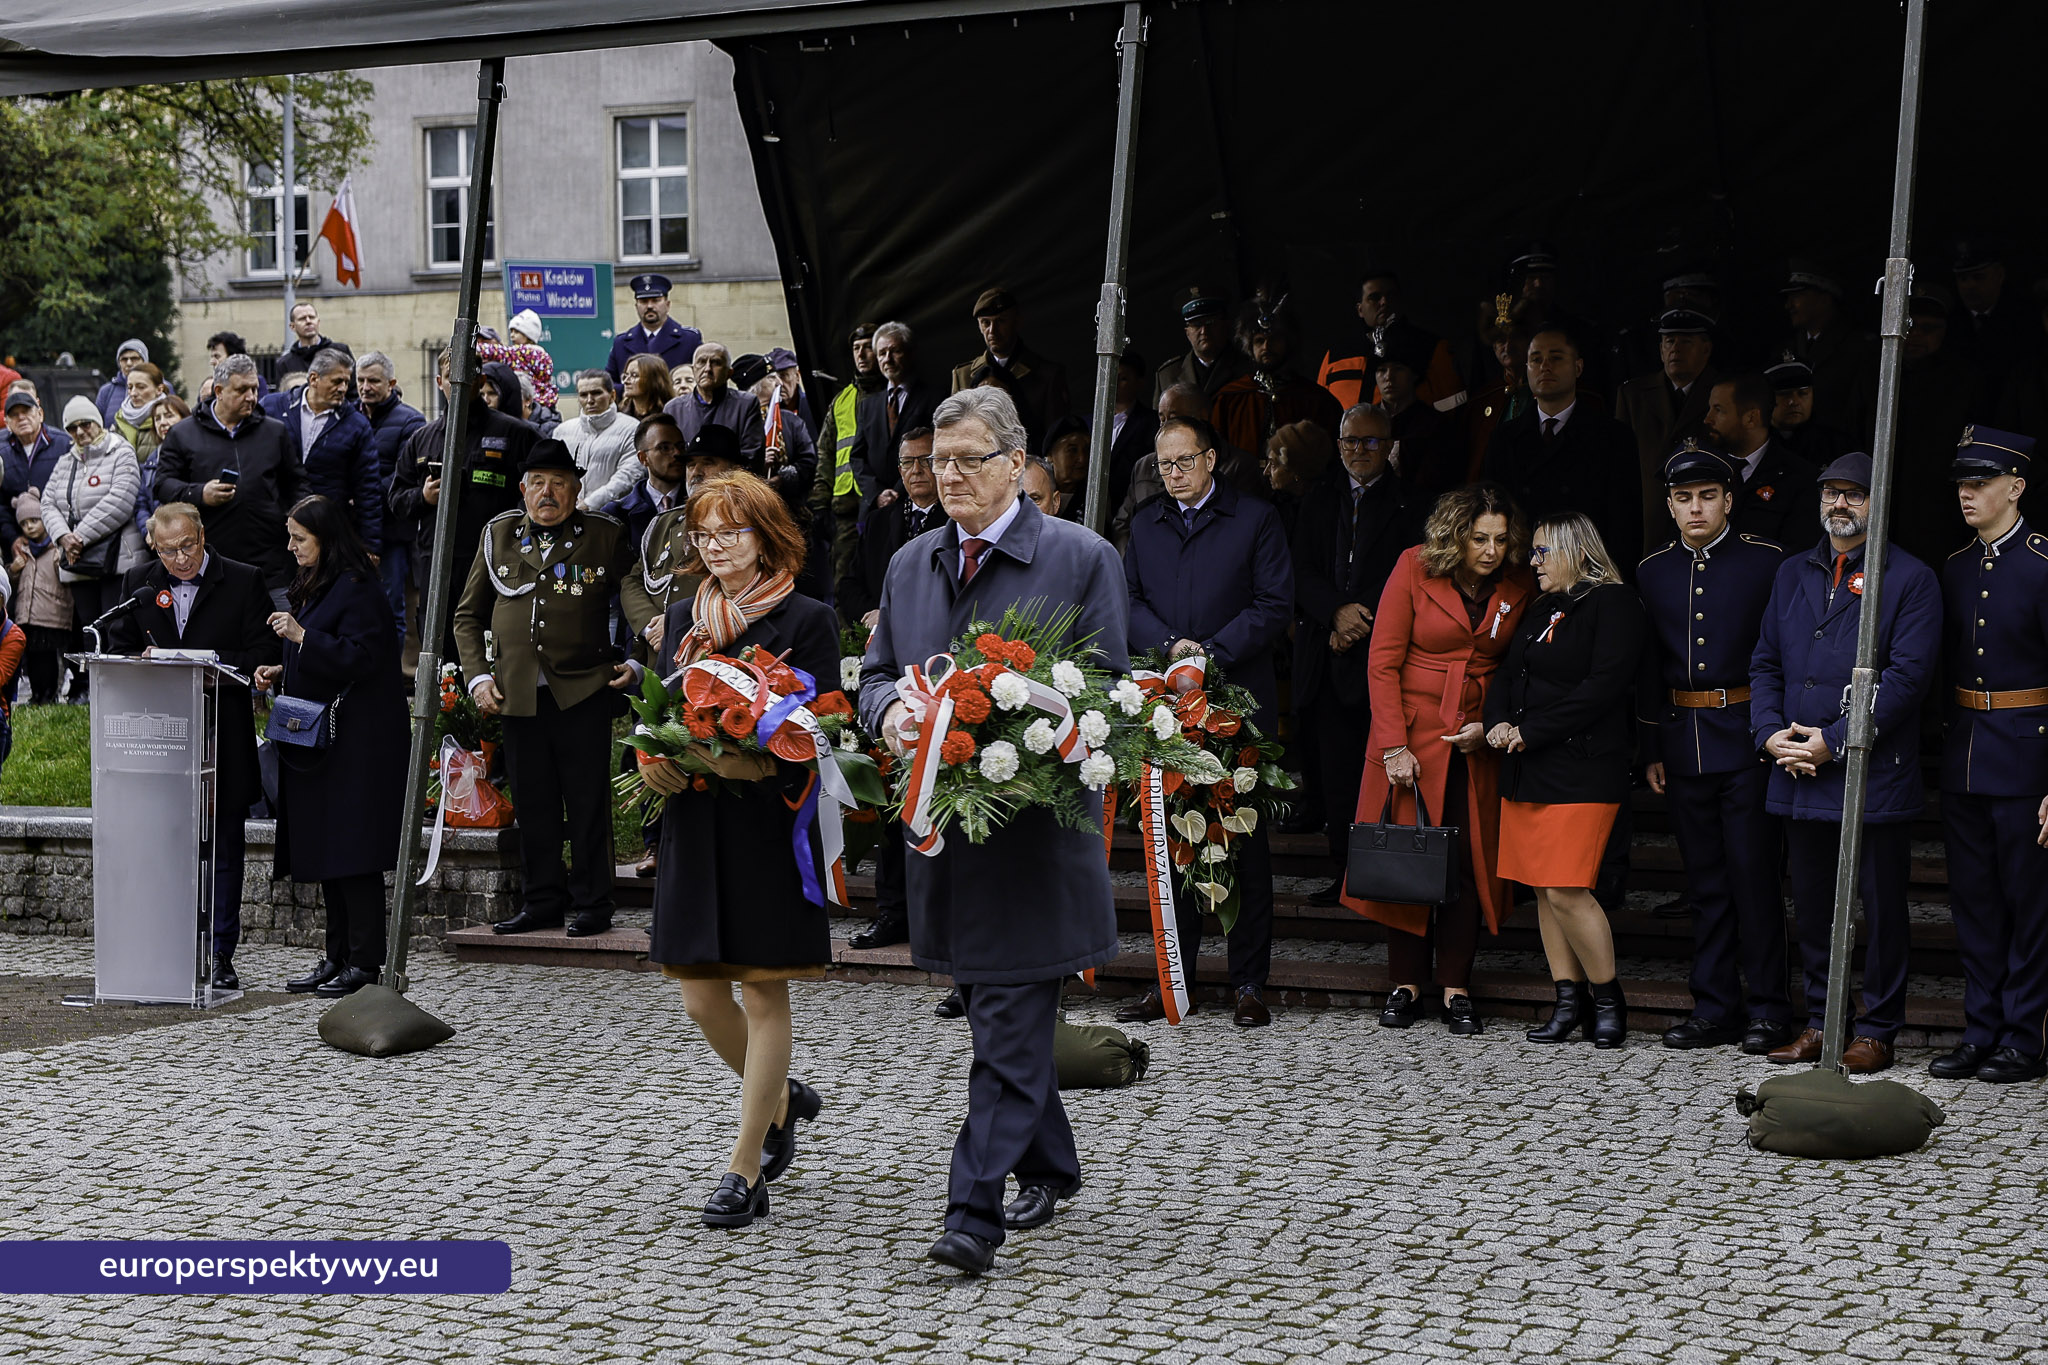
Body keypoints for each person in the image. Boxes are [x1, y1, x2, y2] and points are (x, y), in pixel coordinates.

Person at [858, 386, 1126, 1276]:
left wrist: (1018, 739)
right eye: (938, 461)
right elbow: (878, 675)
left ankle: (971, 1213)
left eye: (969, 459)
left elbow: (1105, 702)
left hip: (1034, 845)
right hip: (943, 837)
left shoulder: (1082, 557)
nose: (950, 476)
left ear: (1018, 463)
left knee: (1008, 1014)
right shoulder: (909, 563)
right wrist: (893, 709)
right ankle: (1051, 1160)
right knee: (993, 1010)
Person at [632, 471, 838, 1227]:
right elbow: (657, 716)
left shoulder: (808, 618)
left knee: (763, 989)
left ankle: (745, 1164)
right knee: (698, 995)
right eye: (706, 534)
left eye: (732, 531)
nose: (716, 546)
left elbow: (818, 740)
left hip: (767, 827)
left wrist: (740, 760)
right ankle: (783, 1095)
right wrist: (650, 760)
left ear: (767, 534)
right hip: (693, 820)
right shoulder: (684, 613)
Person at [1750, 452, 1941, 1074]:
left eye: (1854, 495)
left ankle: (1879, 1028)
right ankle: (1821, 1021)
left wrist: (1833, 738)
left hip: (1870, 770)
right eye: (1831, 493)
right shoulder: (1792, 572)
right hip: (1798, 766)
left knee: (1881, 906)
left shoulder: (1909, 578)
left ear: (1878, 502)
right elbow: (1767, 663)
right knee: (1810, 902)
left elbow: (1906, 680)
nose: (1840, 504)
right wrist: (1770, 734)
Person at [1119, 413, 1294, 1026]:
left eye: (1183, 462)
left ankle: (1249, 982)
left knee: (1240, 840)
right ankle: (1174, 978)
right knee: (1169, 841)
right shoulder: (1145, 524)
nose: (1173, 474)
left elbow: (1274, 604)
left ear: (1211, 459)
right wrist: (1170, 647)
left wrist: (1208, 654)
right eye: (1162, 465)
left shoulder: (1254, 519)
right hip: (1166, 701)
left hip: (1235, 703)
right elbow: (1129, 599)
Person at [1343, 484, 1534, 1036]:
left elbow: (1518, 668)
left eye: (1501, 539)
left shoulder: (1517, 584)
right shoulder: (1412, 567)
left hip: (1476, 739)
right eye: (1479, 538)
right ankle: (1405, 984)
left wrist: (1493, 725)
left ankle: (1455, 985)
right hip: (1410, 737)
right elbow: (1382, 663)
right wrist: (1393, 747)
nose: (1491, 550)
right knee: (1407, 857)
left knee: (1469, 864)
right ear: (1456, 536)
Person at [1635, 442, 1797, 1054]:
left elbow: (1783, 656)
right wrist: (1651, 744)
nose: (1695, 508)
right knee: (1703, 882)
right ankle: (1714, 1005)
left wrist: (1773, 729)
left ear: (1730, 501)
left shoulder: (1768, 562)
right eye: (1683, 498)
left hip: (1749, 735)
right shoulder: (1652, 570)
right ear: (1671, 506)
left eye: (1707, 496)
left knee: (1755, 877)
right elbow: (1649, 668)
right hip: (1682, 741)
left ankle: (1768, 1009)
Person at [453, 440, 638, 938]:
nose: (548, 492)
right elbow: (467, 616)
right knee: (534, 805)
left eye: (559, 483)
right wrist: (478, 676)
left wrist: (639, 660)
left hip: (581, 688)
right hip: (518, 695)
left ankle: (594, 903)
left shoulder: (603, 535)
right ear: (523, 489)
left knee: (585, 802)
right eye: (538, 482)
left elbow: (636, 596)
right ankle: (541, 902)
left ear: (577, 490)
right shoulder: (500, 535)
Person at [1485, 512, 1647, 1049]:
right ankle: (1567, 1001)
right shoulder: (1542, 606)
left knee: (1568, 887)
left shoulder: (1615, 603)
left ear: (1576, 550)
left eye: (1541, 552)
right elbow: (1509, 673)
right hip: (1528, 767)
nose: (1532, 562)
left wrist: (1532, 730)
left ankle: (1607, 1000)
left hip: (1583, 766)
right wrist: (1498, 723)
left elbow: (1605, 686)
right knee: (1542, 890)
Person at [109, 503, 280, 989]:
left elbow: (263, 654)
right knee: (165, 845)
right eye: (168, 551)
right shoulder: (139, 583)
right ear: (153, 546)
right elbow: (118, 649)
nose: (180, 559)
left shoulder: (244, 579)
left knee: (224, 846)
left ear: (203, 537)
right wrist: (139, 660)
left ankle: (221, 951)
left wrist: (202, 661)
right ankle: (166, 945)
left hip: (221, 734)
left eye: (188, 546)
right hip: (158, 740)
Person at [252, 495, 408, 999]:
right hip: (323, 741)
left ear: (326, 537)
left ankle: (364, 963)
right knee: (329, 850)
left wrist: (300, 638)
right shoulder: (318, 582)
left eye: (300, 537)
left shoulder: (358, 586)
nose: (292, 546)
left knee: (353, 852)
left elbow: (363, 658)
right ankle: (336, 955)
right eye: (291, 536)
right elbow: (322, 648)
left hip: (358, 742)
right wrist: (284, 667)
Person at [1932, 427, 2048, 1083]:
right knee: (1974, 902)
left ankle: (2023, 1036)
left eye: (1980, 481)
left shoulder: (2041, 563)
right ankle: (1982, 1028)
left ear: (2017, 486)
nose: (1967, 492)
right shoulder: (1955, 566)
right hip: (1968, 754)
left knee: (2028, 904)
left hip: (2029, 759)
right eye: (1962, 482)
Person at [1291, 404, 1419, 903]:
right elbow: (1299, 568)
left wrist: (1360, 621)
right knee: (1335, 772)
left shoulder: (1410, 503)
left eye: (1370, 442)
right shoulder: (1318, 496)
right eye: (1350, 441)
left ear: (1389, 445)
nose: (1359, 451)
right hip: (1324, 653)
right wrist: (1334, 613)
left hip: (1382, 657)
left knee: (1379, 773)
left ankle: (1382, 872)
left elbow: (1407, 573)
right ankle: (1344, 873)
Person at [387, 347, 539, 655]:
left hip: (496, 559)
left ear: (480, 380)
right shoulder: (423, 438)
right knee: (440, 643)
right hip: (436, 561)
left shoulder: (516, 433)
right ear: (440, 380)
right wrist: (423, 496)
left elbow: (541, 495)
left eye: (466, 379)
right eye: (451, 380)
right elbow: (396, 499)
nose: (457, 387)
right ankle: (444, 703)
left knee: (491, 643)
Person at [1483, 328, 1643, 571]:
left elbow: (1625, 525)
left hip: (1588, 575)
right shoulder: (1503, 438)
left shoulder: (1613, 437)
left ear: (1578, 367)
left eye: (1556, 358)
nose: (1545, 366)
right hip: (1522, 573)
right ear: (1526, 368)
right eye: (1536, 359)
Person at [153, 355, 303, 607]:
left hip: (271, 563)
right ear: (219, 391)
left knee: (278, 639)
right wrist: (200, 493)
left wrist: (294, 522)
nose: (251, 396)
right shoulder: (183, 434)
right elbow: (162, 485)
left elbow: (297, 483)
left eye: (254, 388)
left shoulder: (274, 431)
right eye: (242, 389)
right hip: (211, 563)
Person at [46, 399, 144, 659]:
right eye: (72, 427)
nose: (79, 432)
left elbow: (121, 501)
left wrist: (77, 537)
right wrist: (62, 537)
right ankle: (94, 689)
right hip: (78, 560)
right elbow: (47, 503)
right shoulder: (66, 460)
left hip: (117, 559)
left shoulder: (121, 452)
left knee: (115, 625)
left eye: (85, 424)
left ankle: (120, 692)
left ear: (98, 423)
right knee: (89, 626)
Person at [1616, 308, 1721, 553]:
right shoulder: (1632, 395)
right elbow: (1619, 465)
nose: (1676, 348)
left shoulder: (1723, 391)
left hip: (1703, 517)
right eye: (1669, 341)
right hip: (1646, 523)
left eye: (1686, 342)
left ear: (1706, 349)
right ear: (1661, 350)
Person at [262, 348, 381, 550]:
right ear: (314, 379)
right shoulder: (273, 407)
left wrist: (371, 545)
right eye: (336, 381)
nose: (343, 388)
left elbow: (368, 489)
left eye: (346, 382)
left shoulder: (356, 425)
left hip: (327, 531)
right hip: (274, 528)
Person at [1211, 292, 1342, 457]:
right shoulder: (1229, 400)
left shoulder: (1316, 400)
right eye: (1259, 340)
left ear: (1288, 342)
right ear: (1249, 347)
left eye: (1274, 339)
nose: (1266, 346)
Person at [1317, 270, 1464, 415]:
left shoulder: (1430, 347)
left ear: (1400, 301)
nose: (1384, 302)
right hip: (1349, 438)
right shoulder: (1336, 355)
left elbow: (1455, 410)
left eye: (1391, 295)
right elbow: (1320, 411)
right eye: (1374, 297)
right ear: (1360, 309)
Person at [812, 323, 885, 613]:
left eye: (869, 347)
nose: (862, 354)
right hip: (845, 507)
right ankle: (847, 651)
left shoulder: (893, 395)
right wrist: (819, 505)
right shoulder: (841, 400)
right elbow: (826, 453)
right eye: (857, 349)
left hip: (881, 503)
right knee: (843, 583)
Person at [356, 352, 426, 645]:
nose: (365, 387)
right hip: (352, 530)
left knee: (390, 611)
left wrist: (359, 494)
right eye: (360, 380)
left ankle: (391, 683)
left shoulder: (410, 421)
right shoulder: (349, 416)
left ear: (391, 383)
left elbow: (404, 476)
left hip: (392, 534)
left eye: (373, 380)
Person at [949, 288, 1071, 452]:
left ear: (1017, 321)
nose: (992, 331)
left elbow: (1055, 442)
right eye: (986, 323)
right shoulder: (963, 376)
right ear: (979, 326)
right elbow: (955, 434)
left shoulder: (1047, 375)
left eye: (1001, 321)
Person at [1782, 262, 1877, 443]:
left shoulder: (1860, 348)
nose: (1789, 305)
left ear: (1825, 299)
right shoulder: (1787, 348)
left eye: (1797, 296)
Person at [845, 322, 940, 502]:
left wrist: (897, 492)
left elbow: (936, 451)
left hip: (916, 500)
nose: (887, 359)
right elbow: (857, 457)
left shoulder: (934, 399)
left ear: (910, 353)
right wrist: (877, 493)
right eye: (882, 353)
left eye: (895, 351)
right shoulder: (868, 405)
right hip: (876, 505)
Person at [1373, 327, 1458, 496]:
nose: (1388, 377)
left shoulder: (1435, 426)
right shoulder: (1364, 422)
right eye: (1382, 370)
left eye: (1398, 368)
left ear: (1414, 374)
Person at [6, 491, 73, 704]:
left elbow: (66, 576)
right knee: (33, 658)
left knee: (50, 658)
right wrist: (13, 571)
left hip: (51, 613)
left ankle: (50, 694)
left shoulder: (56, 548)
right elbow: (12, 585)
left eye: (34, 521)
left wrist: (59, 563)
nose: (29, 527)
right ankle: (36, 694)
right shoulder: (22, 550)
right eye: (24, 524)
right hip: (28, 614)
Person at [661, 342, 765, 468]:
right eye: (701, 362)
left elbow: (752, 457)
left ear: (729, 373)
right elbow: (668, 457)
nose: (707, 369)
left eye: (716, 363)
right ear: (694, 370)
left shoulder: (746, 404)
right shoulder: (673, 409)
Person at [1, 389, 71, 550]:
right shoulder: (2, 454)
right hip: (22, 545)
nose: (21, 418)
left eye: (26, 411)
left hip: (60, 539)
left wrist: (61, 533)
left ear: (40, 414)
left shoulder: (63, 444)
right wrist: (13, 539)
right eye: (14, 415)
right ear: (7, 423)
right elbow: (2, 504)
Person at [1154, 288, 1252, 405]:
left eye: (1210, 322)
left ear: (1225, 324)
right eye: (1196, 325)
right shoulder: (1168, 375)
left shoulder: (1248, 365)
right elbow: (1160, 421)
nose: (1204, 331)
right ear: (1187, 332)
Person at [606, 273, 704, 387]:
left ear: (667, 304)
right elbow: (610, 384)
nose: (649, 306)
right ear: (636, 306)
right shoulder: (621, 343)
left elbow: (702, 378)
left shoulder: (689, 340)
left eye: (656, 300)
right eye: (643, 301)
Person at [561, 370, 639, 505]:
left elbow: (628, 476)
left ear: (612, 395)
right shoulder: (562, 431)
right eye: (583, 395)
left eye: (596, 393)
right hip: (567, 514)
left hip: (613, 516)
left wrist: (589, 504)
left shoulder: (632, 428)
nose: (590, 400)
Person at [1764, 351, 1853, 468]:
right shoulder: (1754, 445)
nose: (1794, 402)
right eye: (1784, 394)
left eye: (1803, 393)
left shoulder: (1837, 445)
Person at [1260, 419, 1331, 542]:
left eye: (1273, 465)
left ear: (1297, 471)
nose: (1265, 472)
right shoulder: (1276, 503)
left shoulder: (1320, 515)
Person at [474, 309, 559, 411]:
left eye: (517, 332)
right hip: (542, 404)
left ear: (528, 335)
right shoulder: (542, 355)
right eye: (511, 331)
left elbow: (498, 351)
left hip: (529, 401)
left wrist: (473, 348)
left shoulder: (523, 353)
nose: (512, 335)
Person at [134, 395, 190, 547]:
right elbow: (141, 503)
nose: (163, 422)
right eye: (157, 418)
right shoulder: (152, 459)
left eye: (169, 415)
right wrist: (148, 531)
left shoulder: (193, 454)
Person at [275, 302, 355, 384]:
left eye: (312, 317)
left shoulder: (340, 351)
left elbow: (353, 387)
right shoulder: (285, 363)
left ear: (318, 322)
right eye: (302, 319)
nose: (308, 321)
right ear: (292, 326)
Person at [93, 338, 159, 425]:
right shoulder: (106, 391)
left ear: (144, 361)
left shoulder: (159, 386)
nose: (129, 363)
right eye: (124, 359)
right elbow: (96, 424)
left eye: (134, 358)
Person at [112, 362, 168, 456]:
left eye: (141, 387)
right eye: (130, 387)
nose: (133, 393)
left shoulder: (169, 421)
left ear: (159, 389)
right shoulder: (119, 420)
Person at [619, 352, 679, 420]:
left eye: (634, 375)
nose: (626, 381)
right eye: (626, 375)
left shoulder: (673, 413)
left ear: (653, 380)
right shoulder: (621, 416)